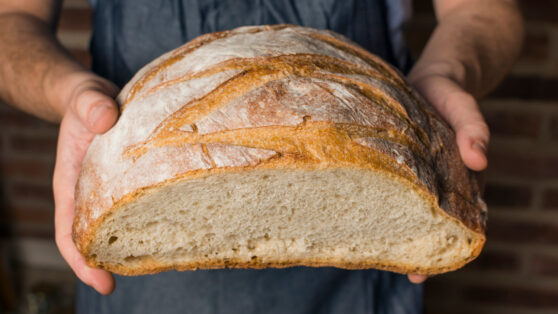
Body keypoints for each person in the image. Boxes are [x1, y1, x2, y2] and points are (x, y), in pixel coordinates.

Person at [0, 0, 523, 313]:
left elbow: (485, 9)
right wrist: (70, 91)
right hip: (141, 241)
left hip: (366, 239)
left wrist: (446, 74)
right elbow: (12, 18)